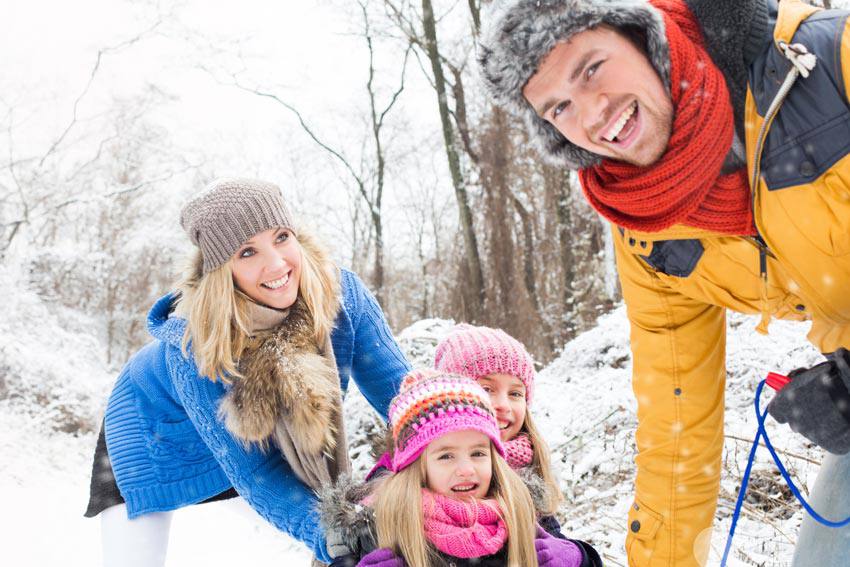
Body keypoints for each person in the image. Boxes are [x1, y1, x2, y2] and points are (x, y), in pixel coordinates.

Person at [478, 0, 850, 565]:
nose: (593, 114)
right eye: (559, 107)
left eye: (591, 68)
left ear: (638, 33)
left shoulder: (827, 62)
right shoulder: (648, 232)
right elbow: (677, 438)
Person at [83, 178, 411, 566]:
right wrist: (334, 535)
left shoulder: (342, 296)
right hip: (151, 430)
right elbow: (257, 474)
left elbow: (404, 397)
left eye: (282, 236)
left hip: (247, 438)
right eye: (248, 251)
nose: (275, 263)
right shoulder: (195, 349)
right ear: (223, 271)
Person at [328, 369, 598, 567]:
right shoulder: (383, 525)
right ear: (416, 466)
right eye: (446, 456)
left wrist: (580, 558)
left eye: (478, 453)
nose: (466, 469)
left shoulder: (518, 510)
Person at [433, 324, 563, 535]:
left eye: (515, 394)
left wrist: (576, 555)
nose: (503, 404)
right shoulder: (422, 472)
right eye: (486, 389)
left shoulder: (531, 478)